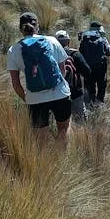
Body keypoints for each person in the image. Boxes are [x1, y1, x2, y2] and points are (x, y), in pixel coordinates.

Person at [7, 13, 72, 149]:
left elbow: (16, 83)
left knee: (40, 139)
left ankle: (44, 165)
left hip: (35, 98)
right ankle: (62, 162)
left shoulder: (14, 50)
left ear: (20, 29)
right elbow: (63, 70)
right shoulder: (52, 41)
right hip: (59, 93)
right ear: (37, 27)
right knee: (63, 130)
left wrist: (26, 98)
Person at [55, 30, 92, 122]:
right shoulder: (75, 54)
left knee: (61, 121)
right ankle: (81, 135)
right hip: (76, 91)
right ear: (68, 41)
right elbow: (87, 71)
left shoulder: (51, 55)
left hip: (58, 93)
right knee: (80, 119)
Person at [79, 21, 110, 105]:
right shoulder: (102, 38)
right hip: (100, 67)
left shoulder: (85, 39)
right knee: (101, 84)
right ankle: (99, 102)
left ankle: (90, 101)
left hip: (88, 67)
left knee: (89, 84)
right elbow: (109, 52)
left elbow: (80, 53)